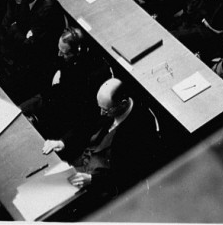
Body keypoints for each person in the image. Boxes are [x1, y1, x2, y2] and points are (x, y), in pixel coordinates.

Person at [62, 78, 162, 208]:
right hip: (86, 160)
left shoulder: (141, 128)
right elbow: (85, 124)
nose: (101, 113)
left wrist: (92, 180)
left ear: (123, 104)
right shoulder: (107, 105)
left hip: (103, 181)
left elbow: (129, 174)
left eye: (106, 110)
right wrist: (63, 142)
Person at [0, 0, 65, 103]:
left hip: (29, 63)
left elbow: (32, 46)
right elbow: (5, 26)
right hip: (9, 49)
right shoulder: (15, 0)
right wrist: (18, 32)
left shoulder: (48, 9)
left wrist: (15, 30)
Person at [21, 27, 111, 145]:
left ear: (77, 52)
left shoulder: (93, 77)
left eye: (64, 53)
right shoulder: (69, 58)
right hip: (57, 95)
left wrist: (63, 141)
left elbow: (84, 117)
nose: (59, 55)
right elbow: (59, 89)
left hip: (70, 117)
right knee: (18, 110)